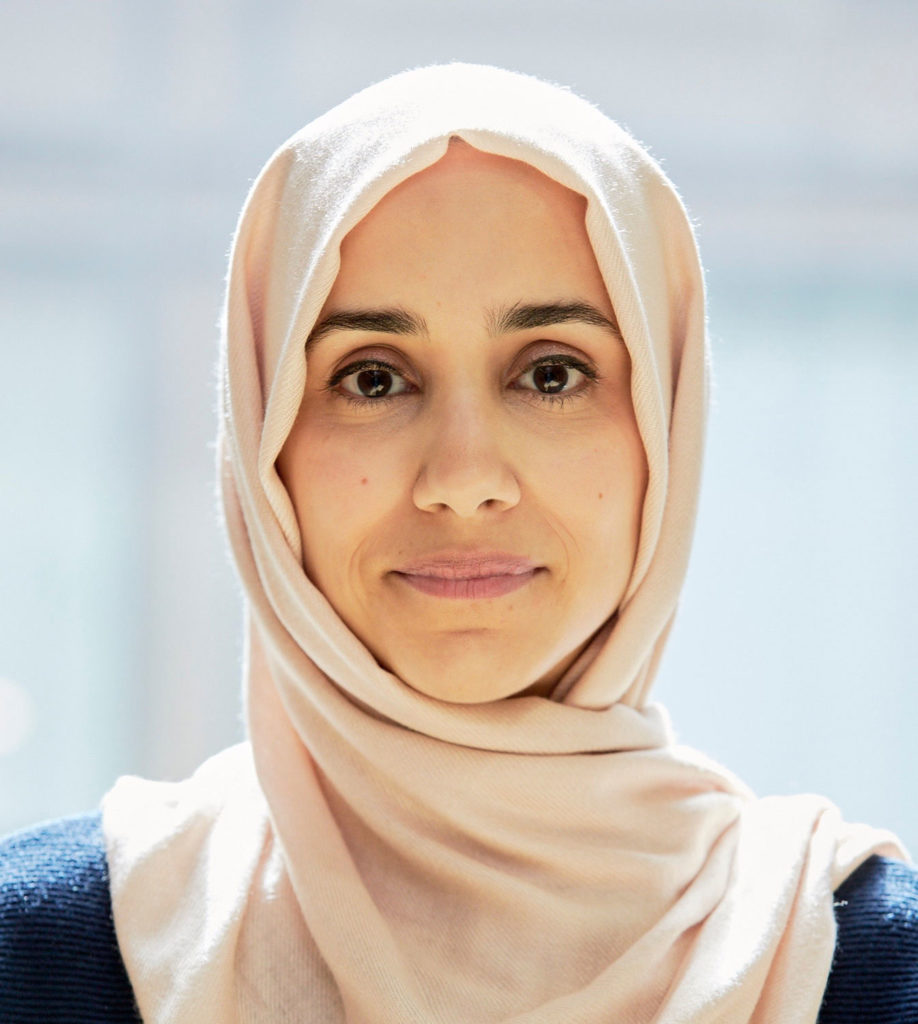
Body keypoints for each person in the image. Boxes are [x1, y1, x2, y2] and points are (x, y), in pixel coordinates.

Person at [1, 63, 916, 1024]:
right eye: (373, 379)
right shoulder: (45, 956)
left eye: (552, 373)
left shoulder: (863, 970)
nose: (464, 478)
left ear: (665, 428)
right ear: (265, 445)